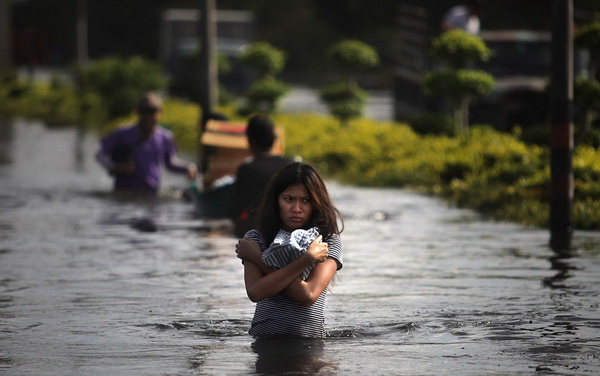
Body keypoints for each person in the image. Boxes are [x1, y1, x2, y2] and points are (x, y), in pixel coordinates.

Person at [235, 162, 344, 338]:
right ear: (276, 201)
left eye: (306, 200)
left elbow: (308, 295)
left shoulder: (327, 241)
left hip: (309, 346)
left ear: (316, 203)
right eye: (289, 199)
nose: (297, 209)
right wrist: (307, 259)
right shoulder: (258, 239)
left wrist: (259, 258)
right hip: (263, 344)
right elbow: (255, 292)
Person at [95, 92, 197, 194]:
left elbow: (170, 162)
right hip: (124, 193)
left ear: (159, 113)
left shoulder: (165, 137)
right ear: (138, 112)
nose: (149, 116)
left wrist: (189, 167)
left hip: (152, 194)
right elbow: (100, 155)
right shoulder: (122, 134)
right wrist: (113, 167)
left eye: (152, 111)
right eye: (145, 111)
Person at [229, 114, 294, 237]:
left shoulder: (247, 169)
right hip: (288, 227)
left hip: (257, 231)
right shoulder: (291, 164)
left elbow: (234, 210)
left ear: (250, 140)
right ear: (274, 139)